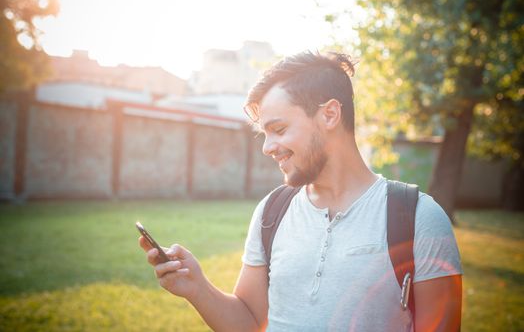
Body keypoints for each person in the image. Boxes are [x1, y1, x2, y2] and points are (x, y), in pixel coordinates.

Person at [139, 51, 463, 331]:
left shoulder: (419, 218)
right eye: (263, 134)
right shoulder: (271, 212)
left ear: (330, 114)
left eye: (278, 129)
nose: (267, 147)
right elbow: (250, 323)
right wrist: (198, 288)